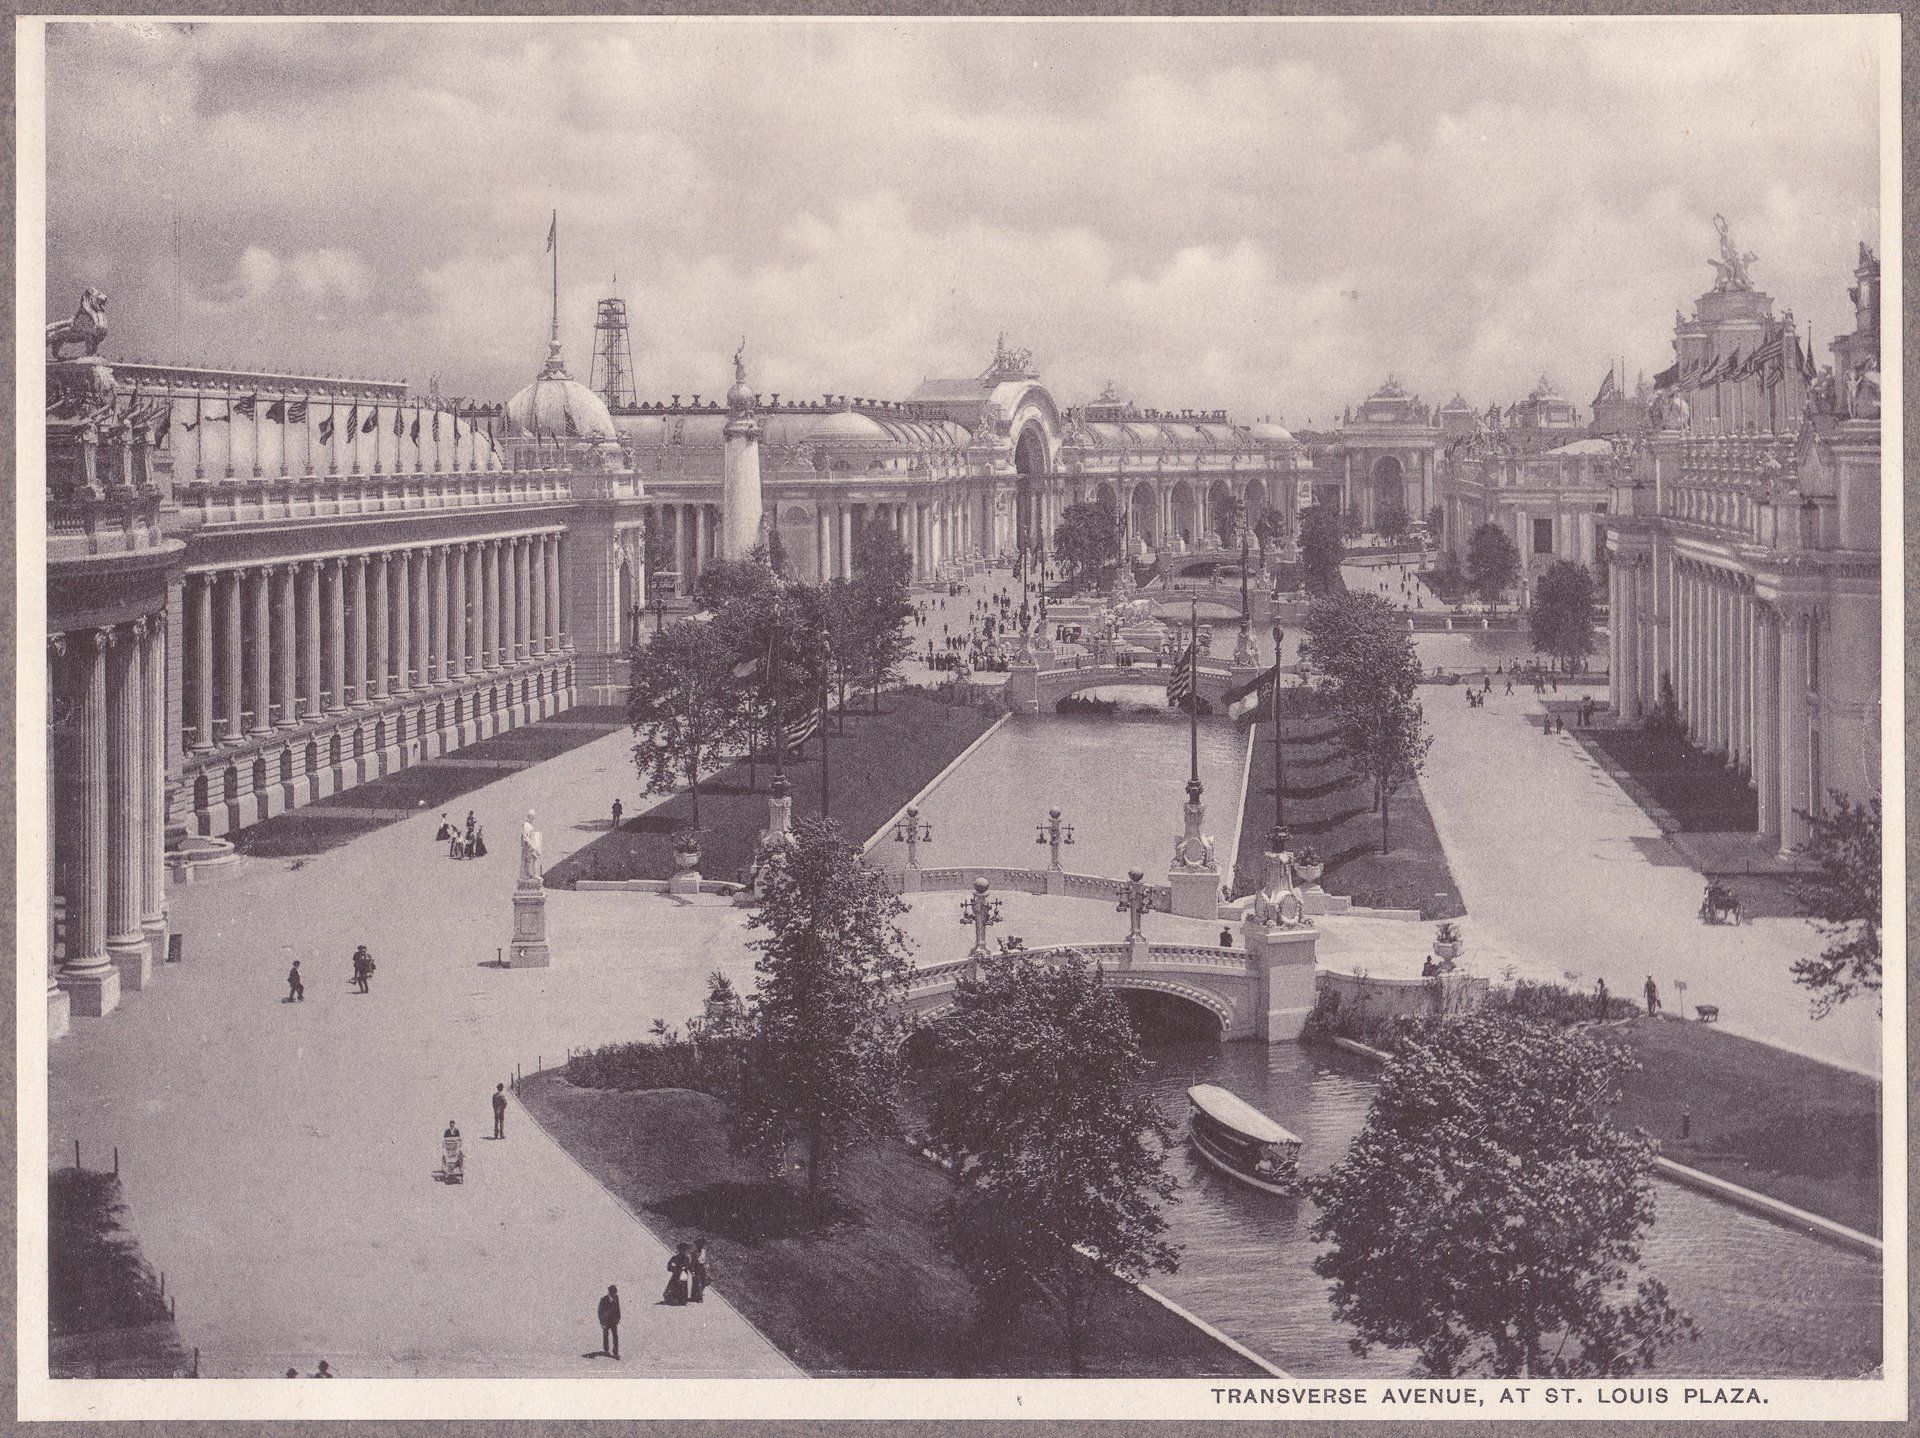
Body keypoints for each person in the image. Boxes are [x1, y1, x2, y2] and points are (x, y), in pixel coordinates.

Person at [597, 1285, 622, 1359]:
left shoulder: (616, 1298)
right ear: (610, 1292)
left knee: (615, 1337)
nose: (615, 1294)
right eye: (613, 1293)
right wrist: (601, 1322)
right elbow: (600, 1311)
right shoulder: (603, 1299)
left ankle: (615, 1353)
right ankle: (606, 1350)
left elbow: (618, 1309)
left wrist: (618, 1318)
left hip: (613, 1321)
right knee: (605, 1336)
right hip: (605, 1321)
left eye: (615, 1293)